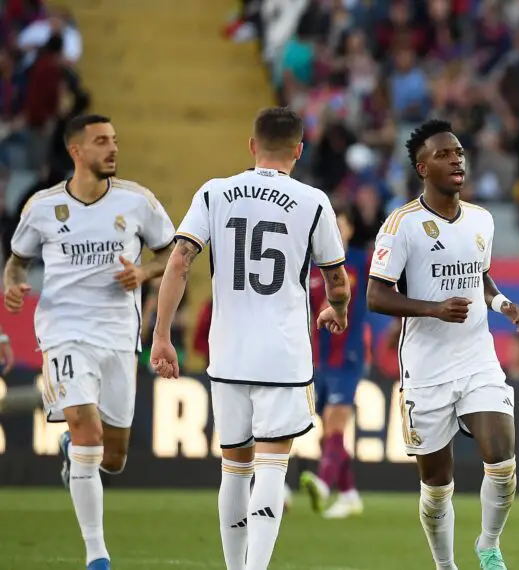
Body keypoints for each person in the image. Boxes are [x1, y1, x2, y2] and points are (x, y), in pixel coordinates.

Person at [150, 107, 350, 570]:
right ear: (299, 151)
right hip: (283, 354)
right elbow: (337, 283)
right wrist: (335, 309)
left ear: (251, 145)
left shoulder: (213, 192)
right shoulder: (314, 201)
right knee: (271, 465)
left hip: (229, 353)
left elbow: (179, 262)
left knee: (234, 468)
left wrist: (161, 335)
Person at [4, 114, 175, 570]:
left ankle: (71, 454)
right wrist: (12, 284)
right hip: (64, 330)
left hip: (119, 335)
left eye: (115, 140)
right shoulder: (41, 206)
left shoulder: (137, 202)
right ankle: (97, 555)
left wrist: (142, 272)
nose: (113, 148)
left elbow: (173, 254)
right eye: (102, 141)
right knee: (85, 426)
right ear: (76, 151)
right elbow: (17, 261)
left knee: (114, 458)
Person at [366, 119, 519, 570]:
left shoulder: (482, 219)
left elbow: (479, 275)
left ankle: (489, 545)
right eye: (444, 154)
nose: (457, 158)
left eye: (459, 152)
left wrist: (502, 303)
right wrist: (433, 309)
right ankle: (445, 565)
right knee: (437, 487)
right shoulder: (401, 225)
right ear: (423, 167)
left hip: (477, 358)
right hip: (426, 369)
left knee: (502, 457)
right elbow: (376, 296)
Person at [300, 207, 375, 518]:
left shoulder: (360, 261)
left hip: (349, 356)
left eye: (340, 222)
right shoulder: (313, 268)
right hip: (320, 360)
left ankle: (323, 484)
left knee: (335, 421)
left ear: (350, 228)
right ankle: (349, 494)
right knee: (327, 433)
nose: (336, 228)